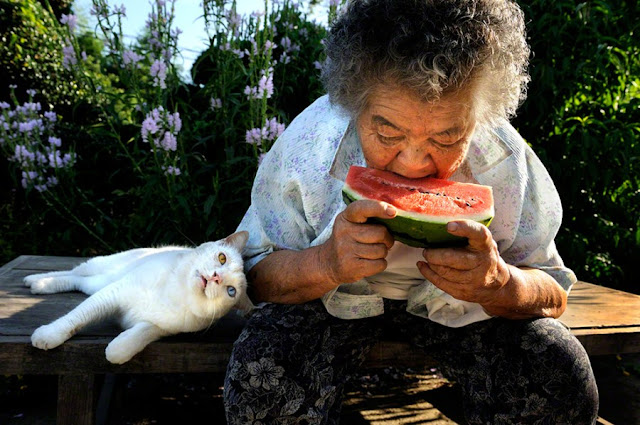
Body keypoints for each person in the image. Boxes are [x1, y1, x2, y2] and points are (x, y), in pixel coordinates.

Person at [224, 0, 599, 423]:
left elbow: (552, 291)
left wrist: (500, 284)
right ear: (352, 103)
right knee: (262, 380)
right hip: (326, 304)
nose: (414, 163)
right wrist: (325, 263)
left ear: (480, 118)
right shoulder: (310, 146)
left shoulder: (505, 160)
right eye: (387, 132)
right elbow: (252, 276)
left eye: (447, 136)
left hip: (465, 314)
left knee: (557, 373)